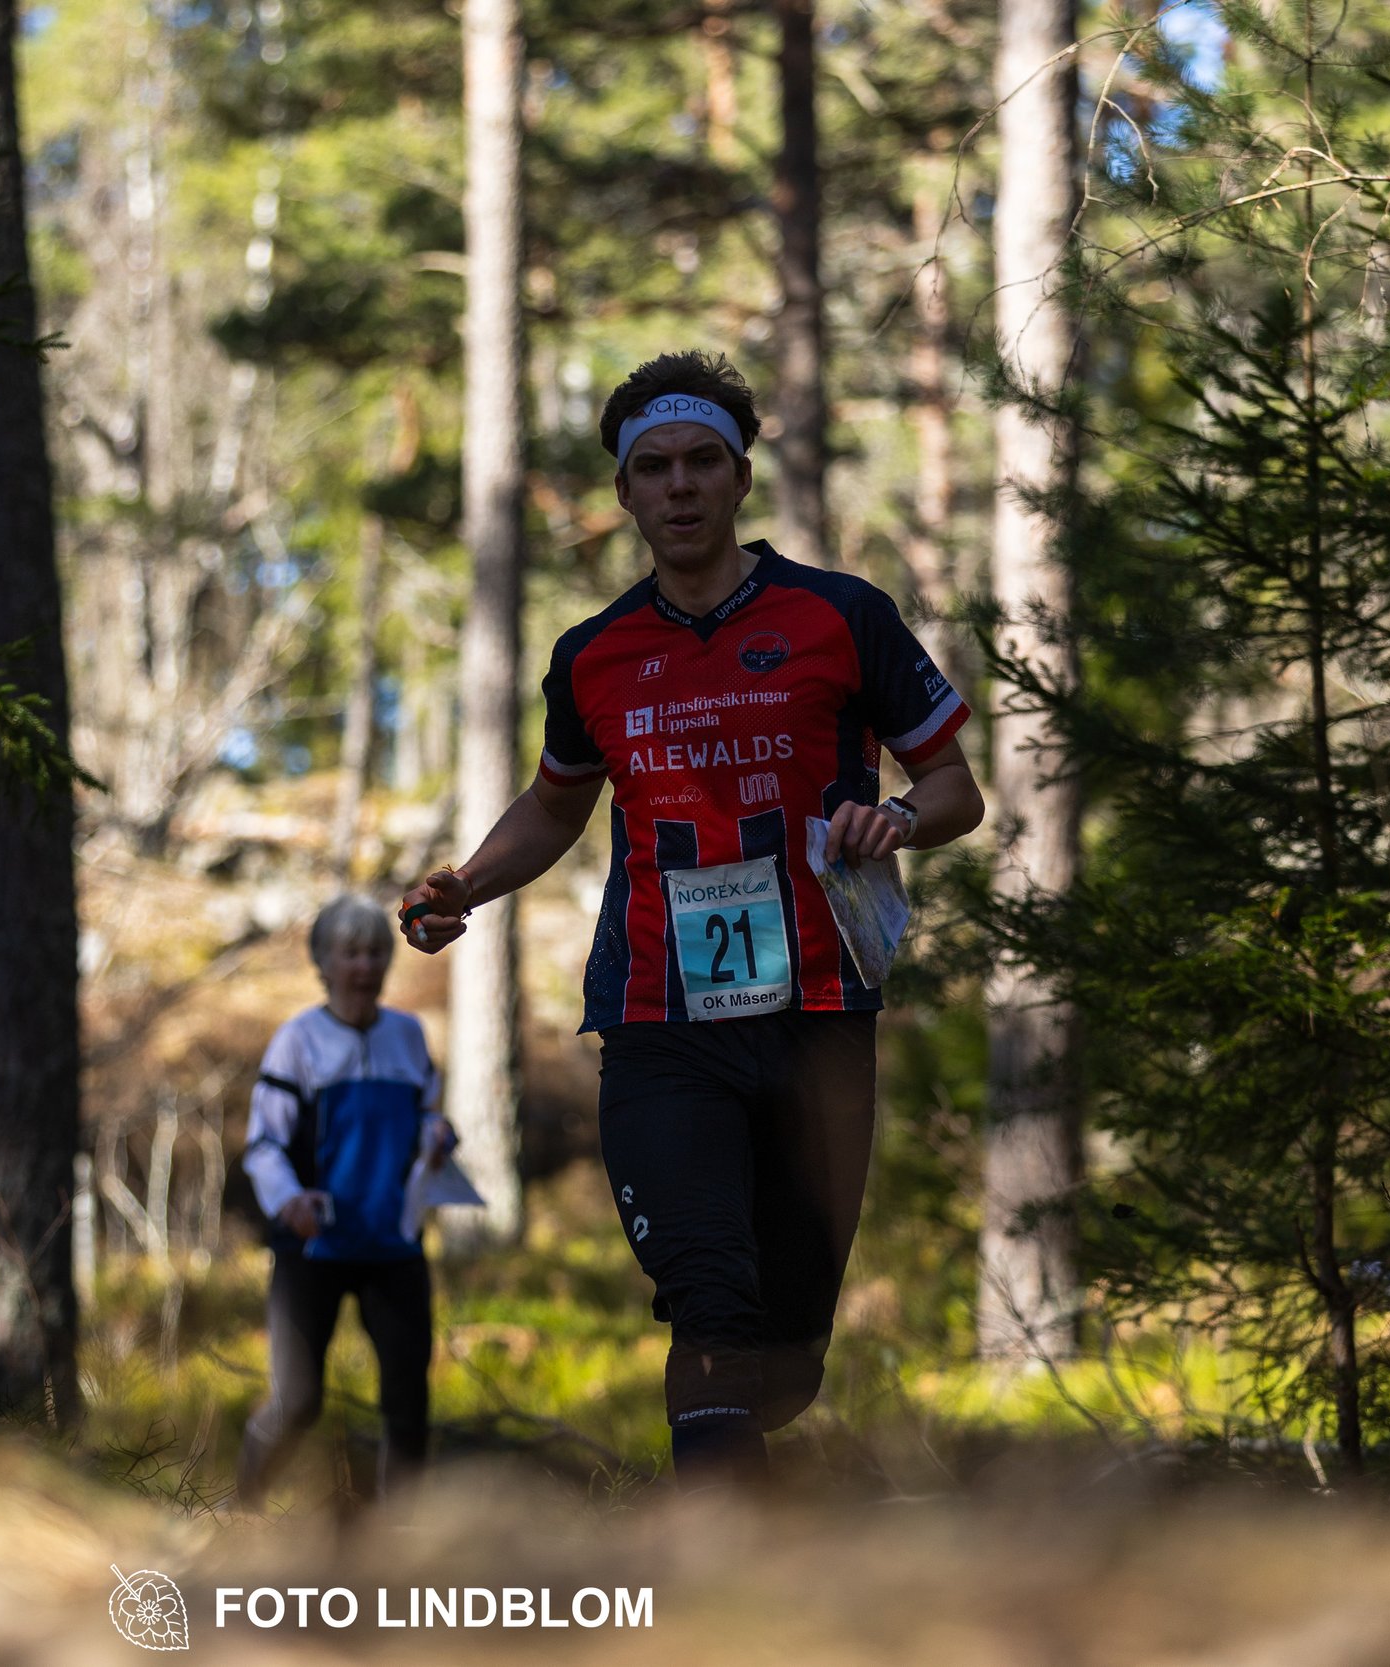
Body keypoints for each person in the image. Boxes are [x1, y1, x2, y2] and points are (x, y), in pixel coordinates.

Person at [400, 351, 984, 1485]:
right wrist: (464, 883)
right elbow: (553, 805)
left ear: (739, 477)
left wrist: (898, 821)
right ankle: (718, 1579)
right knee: (710, 1305)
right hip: (659, 1016)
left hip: (820, 1009)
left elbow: (955, 787)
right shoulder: (593, 656)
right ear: (623, 494)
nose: (678, 486)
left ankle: (751, 1491)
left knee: (786, 1345)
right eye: (653, 467)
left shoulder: (842, 615)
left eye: (700, 462)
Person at [236, 894, 458, 1509]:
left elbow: (424, 1119)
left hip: (394, 1245)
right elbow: (262, 1146)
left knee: (408, 1399)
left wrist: (436, 1138)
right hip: (313, 1247)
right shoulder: (297, 1042)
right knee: (298, 1401)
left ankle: (402, 1543)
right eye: (350, 953)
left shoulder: (408, 1036)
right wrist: (287, 1201)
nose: (364, 966)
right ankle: (239, 1515)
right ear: (324, 963)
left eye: (375, 953)